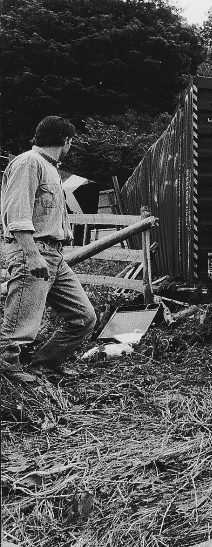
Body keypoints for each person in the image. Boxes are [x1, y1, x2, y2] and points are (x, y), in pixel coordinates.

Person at [1, 116, 97, 383]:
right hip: (32, 251)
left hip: (54, 254)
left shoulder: (51, 168)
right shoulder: (28, 163)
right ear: (65, 140)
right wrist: (31, 255)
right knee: (21, 323)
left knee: (83, 317)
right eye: (71, 142)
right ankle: (8, 371)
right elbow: (17, 213)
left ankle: (44, 365)